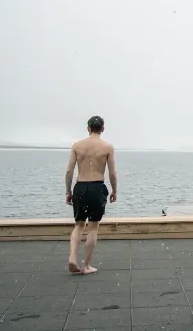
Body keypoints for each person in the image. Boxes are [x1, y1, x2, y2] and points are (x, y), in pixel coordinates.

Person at [65, 115, 118, 274]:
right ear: (102, 129)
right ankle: (86, 265)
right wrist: (114, 191)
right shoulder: (107, 147)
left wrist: (68, 191)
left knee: (78, 225)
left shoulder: (77, 146)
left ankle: (72, 258)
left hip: (80, 187)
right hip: (97, 187)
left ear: (88, 128)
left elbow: (69, 171)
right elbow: (112, 173)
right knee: (93, 227)